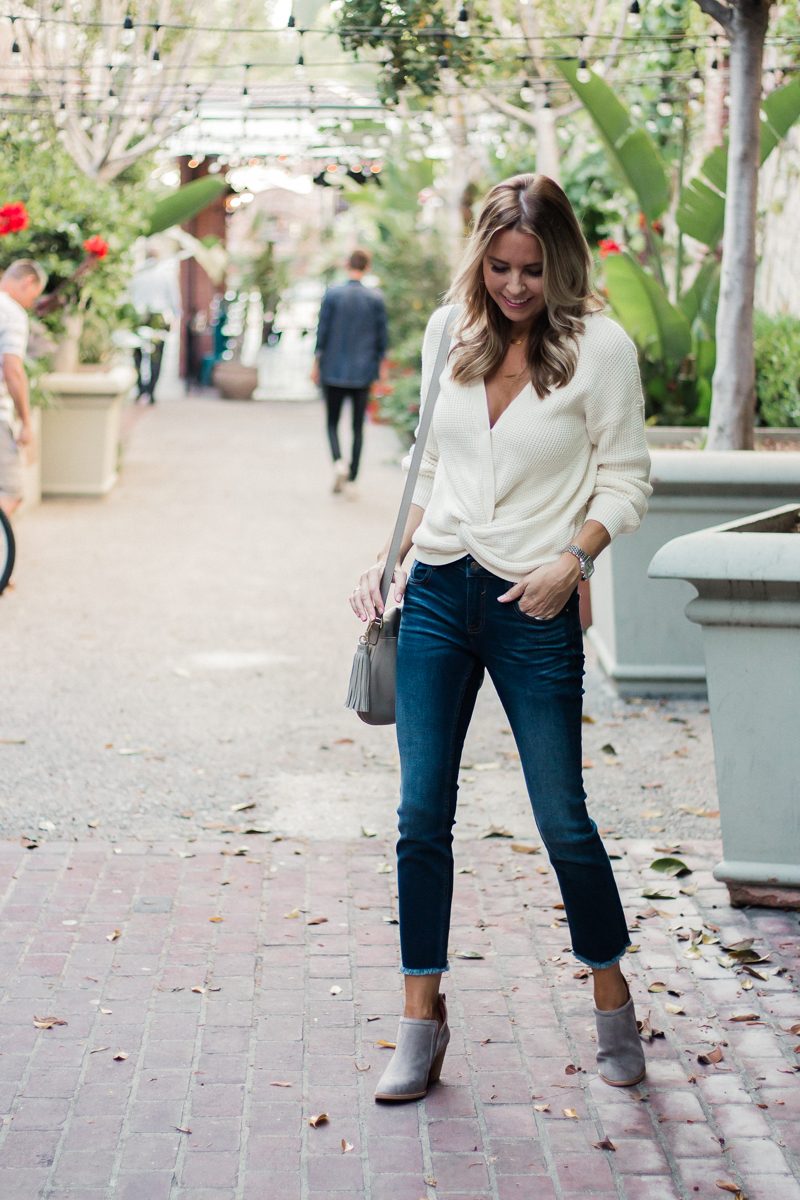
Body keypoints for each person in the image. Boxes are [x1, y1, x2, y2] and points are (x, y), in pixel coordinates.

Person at [349, 175, 653, 1103]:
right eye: (500, 266)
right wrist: (386, 559)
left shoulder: (600, 350)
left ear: (561, 262)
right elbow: (428, 463)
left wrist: (575, 559)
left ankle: (610, 998)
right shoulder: (453, 333)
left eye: (532, 269)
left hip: (537, 602)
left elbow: (628, 481)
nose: (515, 286)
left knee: (563, 818)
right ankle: (419, 1020)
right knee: (418, 817)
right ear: (480, 258)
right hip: (440, 589)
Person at [312, 248, 388, 497]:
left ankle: (338, 462)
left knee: (332, 422)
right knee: (358, 427)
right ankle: (353, 478)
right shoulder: (375, 298)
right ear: (367, 267)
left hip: (332, 369)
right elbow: (382, 340)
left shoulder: (332, 295)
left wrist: (315, 365)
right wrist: (381, 372)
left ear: (347, 265)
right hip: (362, 372)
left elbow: (321, 334)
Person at [0, 260, 47, 517]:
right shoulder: (11, 312)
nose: (30, 303)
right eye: (33, 295)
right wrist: (26, 422)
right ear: (27, 282)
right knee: (11, 491)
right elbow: (12, 369)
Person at [129, 250, 181, 403]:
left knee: (138, 355)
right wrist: (176, 317)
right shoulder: (165, 275)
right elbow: (174, 299)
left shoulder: (138, 274)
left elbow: (130, 295)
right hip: (158, 317)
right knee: (156, 355)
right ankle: (151, 391)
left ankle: (141, 389)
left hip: (139, 317)